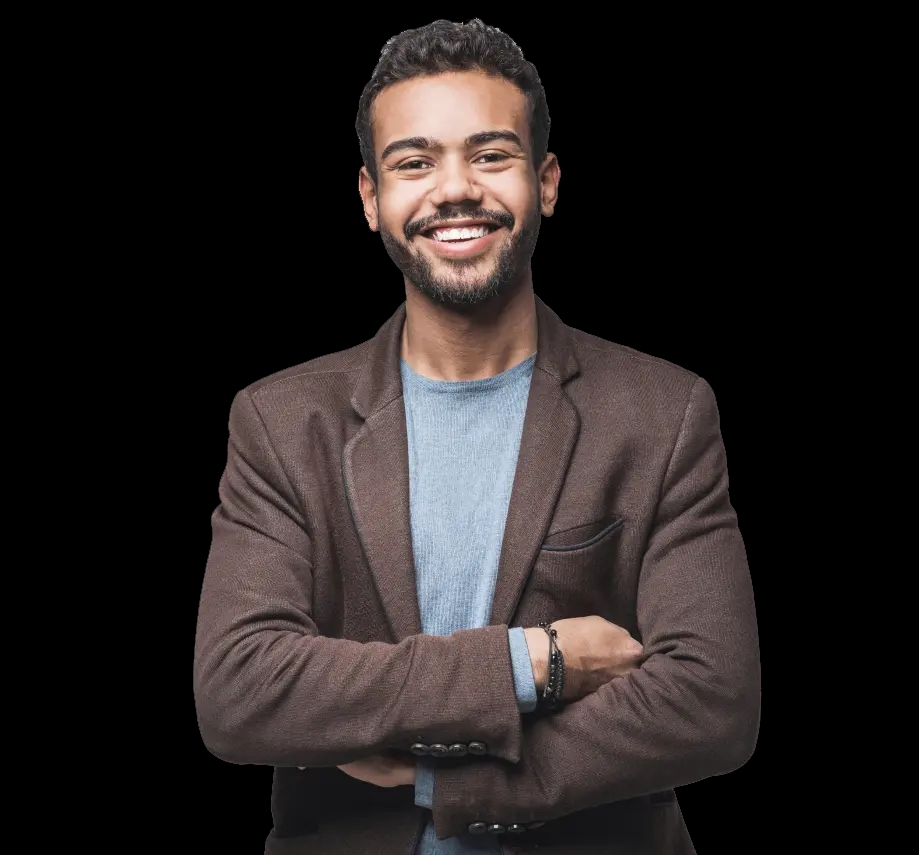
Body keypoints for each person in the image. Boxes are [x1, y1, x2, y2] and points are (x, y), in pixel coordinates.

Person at [193, 18, 760, 855]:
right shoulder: (280, 423)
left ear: (547, 180)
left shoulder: (661, 412)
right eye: (414, 162)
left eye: (490, 155)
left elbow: (713, 701)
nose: (454, 189)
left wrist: (442, 781)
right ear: (368, 198)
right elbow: (240, 690)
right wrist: (534, 663)